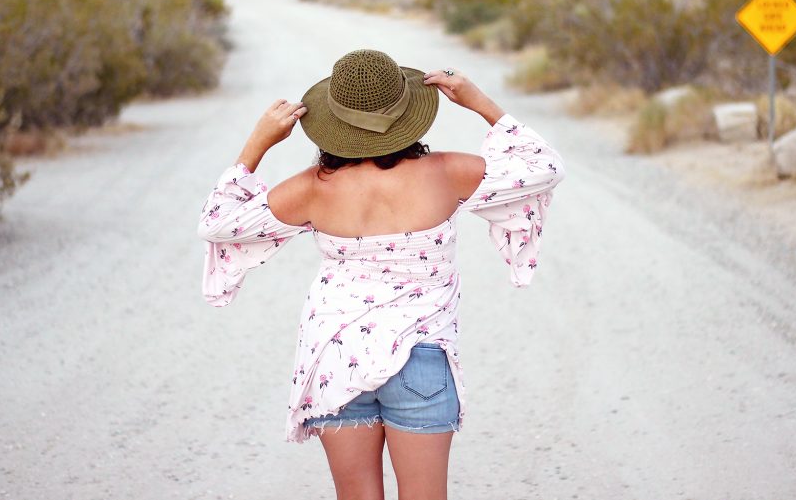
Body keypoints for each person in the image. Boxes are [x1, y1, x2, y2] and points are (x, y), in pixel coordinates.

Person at [198, 49, 565, 500]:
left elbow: (218, 221)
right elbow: (545, 167)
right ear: (410, 112)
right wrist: (479, 102)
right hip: (421, 354)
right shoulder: (447, 173)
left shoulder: (313, 188)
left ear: (332, 123)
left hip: (337, 355)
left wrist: (258, 141)